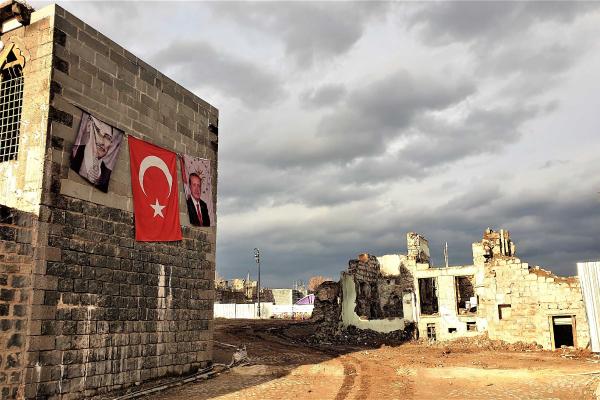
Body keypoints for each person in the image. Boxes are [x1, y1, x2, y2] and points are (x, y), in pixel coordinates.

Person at [70, 114, 116, 192]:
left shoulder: (106, 174)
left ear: (111, 144)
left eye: (107, 138)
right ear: (90, 128)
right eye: (97, 132)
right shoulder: (75, 153)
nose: (102, 142)